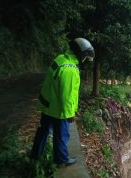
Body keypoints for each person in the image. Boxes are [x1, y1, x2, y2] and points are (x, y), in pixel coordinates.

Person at [31, 38, 95, 166]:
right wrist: (69, 114)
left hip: (48, 105)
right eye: (85, 57)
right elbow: (67, 96)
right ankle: (62, 160)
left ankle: (35, 156)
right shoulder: (70, 70)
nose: (85, 60)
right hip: (59, 110)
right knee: (61, 136)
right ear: (80, 53)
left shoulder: (61, 59)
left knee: (43, 130)